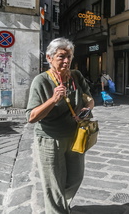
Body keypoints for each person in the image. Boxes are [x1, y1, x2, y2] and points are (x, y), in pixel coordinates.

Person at [26, 37, 95, 213]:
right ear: (49, 58)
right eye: (61, 56)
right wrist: (52, 100)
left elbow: (90, 101)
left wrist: (84, 113)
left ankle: (61, 206)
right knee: (54, 184)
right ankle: (57, 210)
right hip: (50, 139)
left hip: (75, 136)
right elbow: (31, 117)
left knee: (75, 178)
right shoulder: (41, 81)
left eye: (69, 57)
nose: (66, 61)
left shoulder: (76, 76)